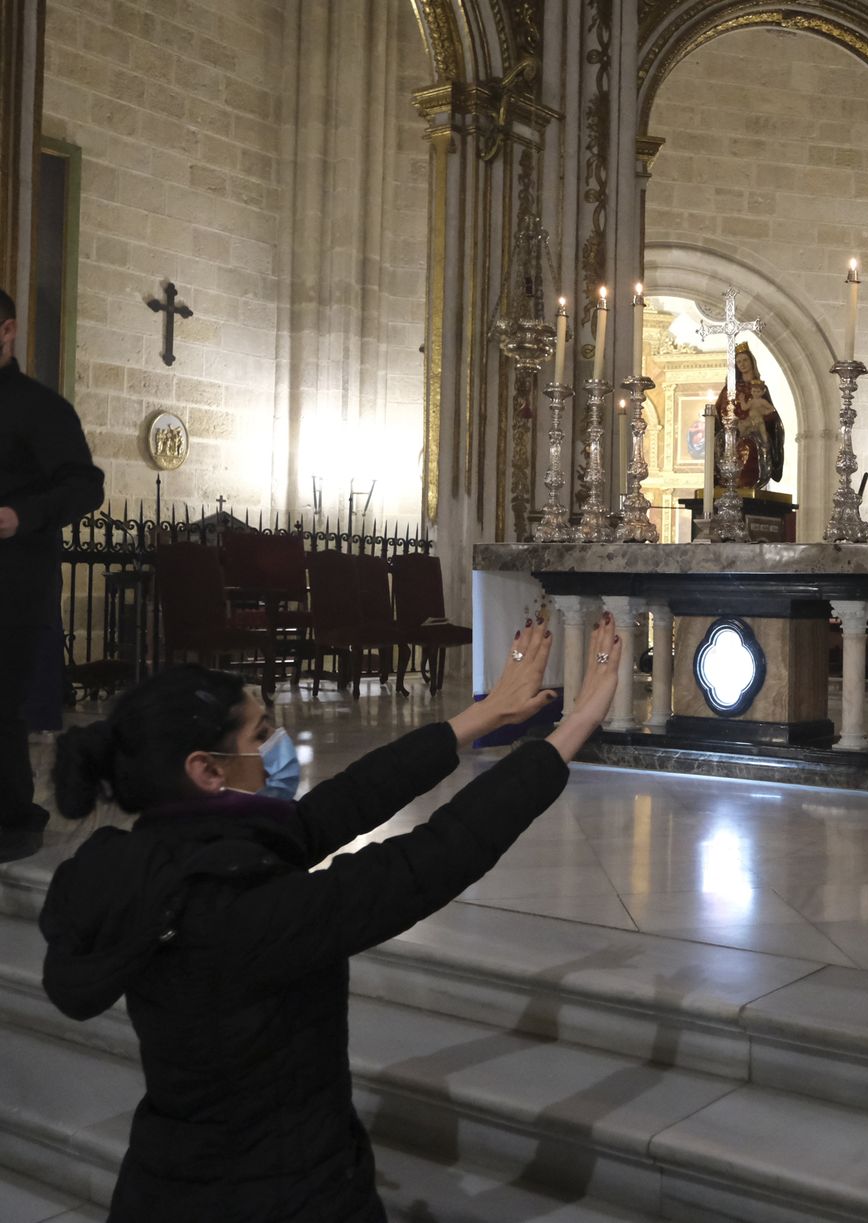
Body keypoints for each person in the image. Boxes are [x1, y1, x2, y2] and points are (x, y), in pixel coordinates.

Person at [39, 614, 621, 1222]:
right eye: (262, 734)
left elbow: (339, 805)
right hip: (275, 1196)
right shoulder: (231, 914)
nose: (281, 745)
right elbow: (427, 862)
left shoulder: (172, 859)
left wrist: (483, 717)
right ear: (208, 770)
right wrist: (575, 725)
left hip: (182, 1176)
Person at [0, 287, 105, 863]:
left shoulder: (40, 408)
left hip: (11, 584)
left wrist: (22, 515)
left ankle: (12, 823)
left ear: (7, 331)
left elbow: (85, 486)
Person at [711, 342, 784, 490]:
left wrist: (761, 418)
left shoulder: (760, 388)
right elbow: (720, 411)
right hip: (732, 431)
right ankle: (728, 483)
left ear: (751, 362)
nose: (742, 364)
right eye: (738, 362)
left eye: (745, 360)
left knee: (750, 445)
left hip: (755, 430)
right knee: (724, 444)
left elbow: (771, 414)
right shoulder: (730, 389)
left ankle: (747, 483)